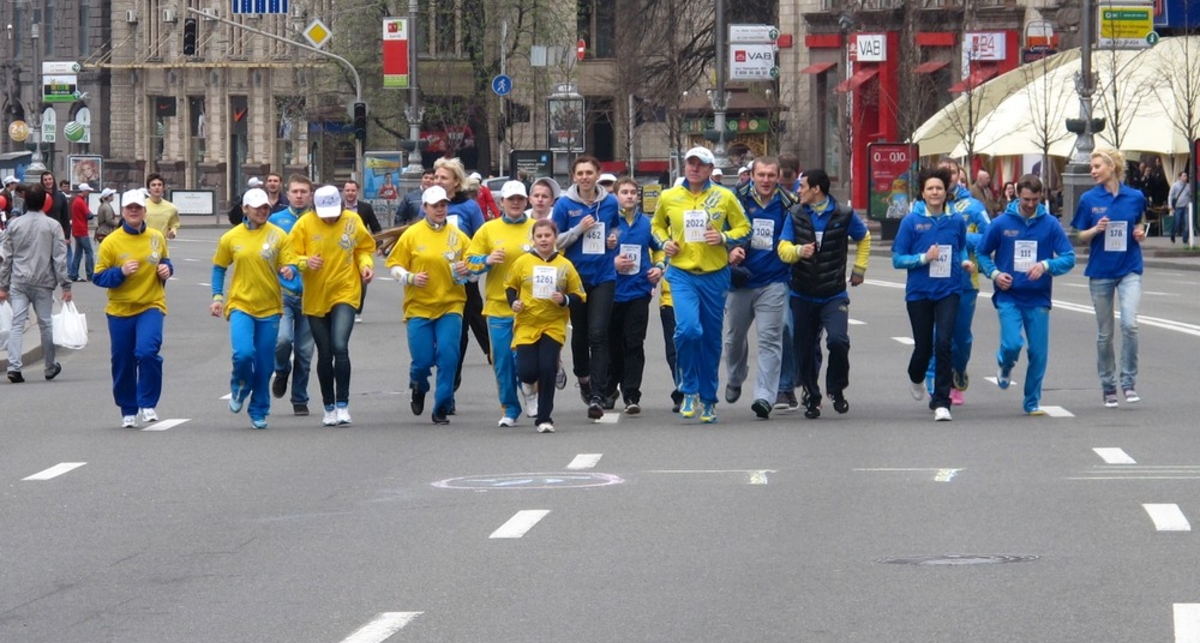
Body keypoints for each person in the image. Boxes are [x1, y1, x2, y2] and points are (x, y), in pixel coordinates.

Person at [651, 146, 750, 423]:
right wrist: (664, 243)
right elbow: (656, 226)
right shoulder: (670, 196)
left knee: (710, 339)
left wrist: (724, 238)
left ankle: (708, 399)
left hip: (715, 274)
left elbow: (746, 228)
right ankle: (689, 387)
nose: (694, 168)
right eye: (690, 163)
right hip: (682, 274)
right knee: (688, 331)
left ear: (709, 169)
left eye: (700, 164)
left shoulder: (724, 196)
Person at [975, 174, 1076, 415]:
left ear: (1041, 196)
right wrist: (995, 274)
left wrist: (1046, 266)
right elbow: (981, 253)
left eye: (1035, 199)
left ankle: (1031, 401)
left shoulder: (1050, 224)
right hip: (1009, 294)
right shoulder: (1001, 224)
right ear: (1017, 195)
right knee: (1012, 344)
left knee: (1038, 353)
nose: (1030, 204)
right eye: (1026, 199)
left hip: (1038, 297)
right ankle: (1005, 362)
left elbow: (1068, 257)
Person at [778, 168, 870, 419]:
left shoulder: (844, 213)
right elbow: (783, 248)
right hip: (802, 293)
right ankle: (812, 395)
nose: (798, 191)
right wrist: (798, 252)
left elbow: (864, 238)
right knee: (805, 348)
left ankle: (836, 388)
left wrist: (859, 268)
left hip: (833, 294)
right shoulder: (795, 214)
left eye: (802, 186)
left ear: (816, 189)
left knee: (838, 340)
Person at [209, 188, 299, 430]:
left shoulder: (279, 236)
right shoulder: (231, 238)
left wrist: (289, 269)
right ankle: (239, 386)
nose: (262, 211)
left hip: (269, 307)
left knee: (264, 364)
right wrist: (217, 296)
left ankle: (259, 409)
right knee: (243, 354)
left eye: (265, 208)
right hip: (241, 304)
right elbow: (219, 267)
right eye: (257, 207)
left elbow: (288, 261)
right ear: (245, 209)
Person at [287, 185, 376, 426]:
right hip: (316, 296)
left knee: (340, 345)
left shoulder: (352, 220)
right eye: (325, 213)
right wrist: (305, 262)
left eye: (334, 212)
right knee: (324, 353)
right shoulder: (304, 224)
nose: (330, 217)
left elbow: (363, 249)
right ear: (315, 209)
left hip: (345, 290)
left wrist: (365, 265)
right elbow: (289, 255)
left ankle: (343, 405)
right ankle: (328, 407)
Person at [892, 166, 971, 422]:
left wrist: (964, 262)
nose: (935, 192)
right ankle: (916, 378)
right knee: (924, 347)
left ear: (946, 191)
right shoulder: (911, 222)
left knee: (944, 342)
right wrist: (924, 258)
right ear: (923, 193)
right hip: (919, 292)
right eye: (930, 189)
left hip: (949, 289)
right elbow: (898, 259)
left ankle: (941, 401)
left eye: (939, 188)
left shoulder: (956, 220)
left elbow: (959, 249)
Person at [386, 185, 470, 425]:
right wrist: (410, 277)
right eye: (435, 206)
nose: (440, 209)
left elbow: (472, 265)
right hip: (419, 307)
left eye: (443, 205)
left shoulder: (457, 236)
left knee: (447, 357)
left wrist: (469, 269)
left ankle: (442, 405)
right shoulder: (412, 234)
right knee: (422, 361)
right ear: (425, 208)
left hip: (450, 305)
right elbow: (394, 265)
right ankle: (418, 384)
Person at [1071, 148, 1147, 408]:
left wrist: (1139, 232)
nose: (1092, 171)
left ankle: (1128, 382)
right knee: (1105, 334)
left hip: (1129, 267)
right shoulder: (1089, 199)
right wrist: (1095, 229)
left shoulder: (1135, 196)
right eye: (1091, 167)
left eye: (1096, 166)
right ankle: (1108, 386)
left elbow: (1139, 222)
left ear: (1111, 166)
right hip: (1101, 270)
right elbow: (1079, 235)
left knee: (1130, 324)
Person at [94, 188, 174, 428]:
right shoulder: (111, 242)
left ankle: (147, 403)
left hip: (151, 304)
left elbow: (165, 262)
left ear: (144, 211)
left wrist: (166, 270)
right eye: (129, 208)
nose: (134, 211)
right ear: (122, 211)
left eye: (138, 208)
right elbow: (98, 277)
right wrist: (120, 272)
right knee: (122, 360)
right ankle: (128, 409)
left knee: (147, 352)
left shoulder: (156, 238)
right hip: (120, 310)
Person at [723, 157, 797, 420]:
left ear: (778, 177)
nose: (766, 180)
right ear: (751, 175)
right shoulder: (737, 199)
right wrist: (730, 251)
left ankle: (764, 396)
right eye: (761, 175)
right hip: (741, 282)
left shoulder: (789, 204)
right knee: (733, 339)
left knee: (770, 340)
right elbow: (720, 230)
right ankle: (735, 376)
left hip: (773, 282)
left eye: (771, 175)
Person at [552, 155, 621, 420]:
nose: (584, 177)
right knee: (580, 334)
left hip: (604, 275)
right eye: (579, 173)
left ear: (597, 174)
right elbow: (555, 241)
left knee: (598, 334)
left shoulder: (610, 202)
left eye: (589, 172)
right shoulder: (565, 205)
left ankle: (598, 394)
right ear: (573, 177)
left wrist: (615, 237)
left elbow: (615, 226)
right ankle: (584, 379)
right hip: (575, 279)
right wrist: (579, 229)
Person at [464, 180, 536, 425]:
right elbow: (470, 261)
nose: (515, 203)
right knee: (502, 360)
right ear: (501, 203)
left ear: (526, 202)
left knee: (524, 359)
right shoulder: (488, 230)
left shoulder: (537, 228)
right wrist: (487, 259)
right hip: (498, 306)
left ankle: (531, 392)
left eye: (520, 199)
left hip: (531, 307)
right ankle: (510, 408)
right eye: (510, 200)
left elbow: (554, 258)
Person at [505, 219, 587, 433]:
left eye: (547, 236)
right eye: (539, 236)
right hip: (526, 323)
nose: (543, 240)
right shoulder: (522, 262)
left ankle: (544, 418)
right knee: (528, 372)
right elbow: (510, 286)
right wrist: (513, 302)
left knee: (547, 368)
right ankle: (529, 386)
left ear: (555, 238)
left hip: (553, 324)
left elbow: (579, 294)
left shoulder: (565, 265)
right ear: (533, 238)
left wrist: (565, 300)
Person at [923, 158, 990, 406]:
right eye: (942, 172)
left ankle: (958, 369)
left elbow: (989, 236)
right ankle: (936, 385)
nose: (946, 176)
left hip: (965, 281)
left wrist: (961, 237)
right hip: (934, 282)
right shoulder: (926, 207)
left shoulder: (972, 206)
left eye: (951, 172)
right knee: (937, 337)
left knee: (960, 338)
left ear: (959, 175)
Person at [0, 185, 72, 383]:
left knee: (17, 323)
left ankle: (14, 366)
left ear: (24, 201)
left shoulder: (14, 225)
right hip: (43, 281)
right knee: (45, 324)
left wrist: (3, 286)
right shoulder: (52, 226)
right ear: (44, 202)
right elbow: (59, 258)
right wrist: (65, 285)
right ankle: (49, 366)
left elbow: (6, 257)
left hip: (18, 280)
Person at [603, 176, 662, 414]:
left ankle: (631, 394)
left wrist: (659, 268)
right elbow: (594, 253)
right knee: (612, 344)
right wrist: (612, 262)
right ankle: (609, 390)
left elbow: (660, 249)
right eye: (624, 192)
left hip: (638, 291)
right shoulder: (607, 222)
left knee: (634, 343)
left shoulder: (647, 224)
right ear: (615, 195)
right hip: (610, 291)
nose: (629, 196)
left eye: (633, 192)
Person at [433, 157, 489, 397]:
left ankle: (450, 385)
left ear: (456, 182)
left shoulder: (469, 208)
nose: (438, 181)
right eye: (436, 177)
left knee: (459, 335)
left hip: (463, 282)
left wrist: (473, 266)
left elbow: (482, 240)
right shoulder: (427, 206)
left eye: (443, 177)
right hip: (435, 283)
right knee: (437, 337)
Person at [269, 174, 316, 416]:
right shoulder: (276, 221)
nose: (299, 196)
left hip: (311, 293)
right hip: (283, 293)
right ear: (288, 194)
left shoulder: (318, 221)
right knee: (283, 340)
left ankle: (300, 398)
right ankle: (281, 369)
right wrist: (279, 267)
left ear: (311, 195)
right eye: (295, 192)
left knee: (306, 352)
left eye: (303, 192)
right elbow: (267, 253)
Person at [342, 179, 382, 323]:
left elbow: (376, 227)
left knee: (362, 281)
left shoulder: (365, 208)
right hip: (342, 249)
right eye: (347, 190)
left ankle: (357, 310)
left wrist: (380, 245)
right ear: (343, 192)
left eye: (353, 190)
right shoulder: (338, 208)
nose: (350, 193)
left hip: (360, 249)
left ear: (357, 192)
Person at [41, 172, 72, 270]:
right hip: (42, 231)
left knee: (57, 258)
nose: (48, 182)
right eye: (45, 180)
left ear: (53, 180)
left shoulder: (60, 196)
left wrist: (67, 236)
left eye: (50, 179)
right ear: (42, 182)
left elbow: (65, 218)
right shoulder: (39, 196)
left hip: (57, 231)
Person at [68, 183, 95, 282]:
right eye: (87, 191)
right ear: (84, 191)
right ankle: (90, 274)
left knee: (78, 253)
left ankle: (73, 274)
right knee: (89, 252)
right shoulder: (81, 202)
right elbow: (89, 215)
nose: (88, 193)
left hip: (76, 230)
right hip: (82, 230)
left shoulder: (76, 201)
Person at [144, 173, 180, 239]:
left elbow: (173, 225)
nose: (157, 187)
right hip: (144, 246)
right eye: (153, 185)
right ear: (149, 189)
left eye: (159, 185)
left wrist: (172, 233)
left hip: (161, 246)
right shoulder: (142, 206)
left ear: (163, 188)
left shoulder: (171, 208)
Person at [1169, 171, 1191, 244]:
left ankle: (1185, 239)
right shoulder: (1175, 185)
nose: (1185, 177)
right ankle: (1173, 234)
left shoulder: (1188, 186)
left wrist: (1189, 202)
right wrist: (1170, 205)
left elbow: (1190, 195)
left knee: (1186, 223)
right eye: (1184, 176)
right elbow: (1171, 195)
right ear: (1180, 177)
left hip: (1186, 207)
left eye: (1186, 176)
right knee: (1177, 222)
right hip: (1178, 207)